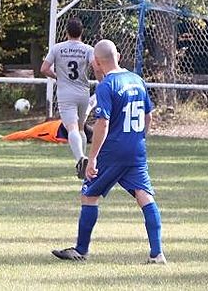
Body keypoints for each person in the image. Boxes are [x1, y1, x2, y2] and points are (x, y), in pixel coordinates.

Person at [52, 39, 165, 264]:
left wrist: (92, 158)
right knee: (144, 196)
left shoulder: (106, 85)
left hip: (113, 151)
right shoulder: (137, 79)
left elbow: (102, 124)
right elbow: (148, 116)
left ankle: (81, 250)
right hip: (136, 150)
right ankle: (157, 253)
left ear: (96, 62)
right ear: (118, 56)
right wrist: (139, 139)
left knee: (89, 194)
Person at [41, 18, 95, 178]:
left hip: (66, 93)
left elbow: (44, 68)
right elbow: (96, 66)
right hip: (83, 92)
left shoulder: (58, 48)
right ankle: (83, 161)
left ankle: (80, 159)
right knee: (81, 127)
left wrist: (57, 76)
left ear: (66, 32)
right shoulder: (88, 49)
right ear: (82, 32)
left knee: (71, 128)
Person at [0, 120, 94, 144]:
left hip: (59, 126)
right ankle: (3, 137)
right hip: (54, 129)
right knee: (27, 134)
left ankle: (3, 137)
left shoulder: (86, 129)